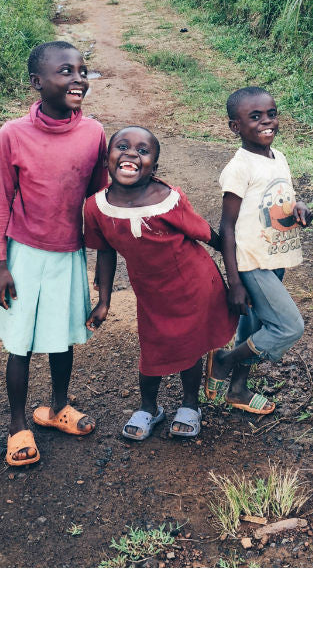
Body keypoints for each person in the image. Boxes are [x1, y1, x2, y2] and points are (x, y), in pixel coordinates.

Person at [0, 41, 108, 466]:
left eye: (82, 71)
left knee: (62, 337)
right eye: (65, 71)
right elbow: (2, 200)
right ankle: (17, 424)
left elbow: (99, 199)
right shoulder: (13, 134)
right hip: (23, 254)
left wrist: (102, 268)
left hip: (68, 253)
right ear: (38, 82)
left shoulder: (93, 133)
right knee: (20, 343)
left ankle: (58, 406)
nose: (77, 78)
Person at [82, 126, 237, 440]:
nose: (131, 154)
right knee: (152, 348)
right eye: (122, 146)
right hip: (151, 293)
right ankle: (149, 408)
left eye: (142, 151)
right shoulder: (96, 208)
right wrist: (104, 301)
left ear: (153, 165)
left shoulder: (168, 198)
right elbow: (105, 252)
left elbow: (203, 232)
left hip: (192, 286)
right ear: (106, 158)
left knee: (189, 346)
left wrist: (235, 262)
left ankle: (190, 405)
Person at [205, 87, 312, 416]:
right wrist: (235, 282)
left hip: (274, 257)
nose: (267, 122)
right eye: (255, 117)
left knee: (253, 329)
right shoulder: (239, 168)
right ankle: (223, 360)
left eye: (271, 114)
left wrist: (299, 207)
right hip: (252, 263)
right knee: (289, 326)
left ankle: (237, 390)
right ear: (235, 127)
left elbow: (280, 199)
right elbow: (227, 226)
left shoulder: (278, 157)